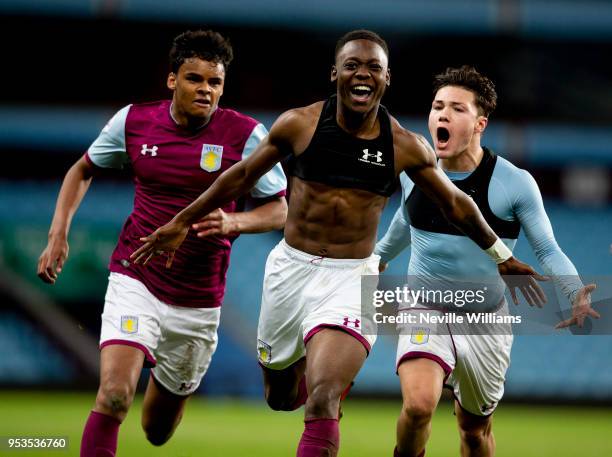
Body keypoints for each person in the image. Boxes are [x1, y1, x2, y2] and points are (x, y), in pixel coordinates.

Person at [131, 31, 544, 457]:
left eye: (373, 68)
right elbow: (239, 176)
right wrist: (181, 221)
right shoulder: (300, 124)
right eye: (352, 66)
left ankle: (333, 382)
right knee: (278, 395)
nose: (362, 74)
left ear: (387, 78)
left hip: (351, 277)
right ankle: (316, 374)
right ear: (335, 74)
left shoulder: (404, 146)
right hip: (291, 269)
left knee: (323, 398)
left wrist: (502, 255)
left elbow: (456, 203)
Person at [37, 30, 288, 457]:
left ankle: (163, 384)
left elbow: (279, 210)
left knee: (157, 431)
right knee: (115, 396)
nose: (205, 91)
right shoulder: (133, 122)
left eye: (215, 83)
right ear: (172, 80)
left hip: (199, 300)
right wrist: (58, 233)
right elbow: (81, 170)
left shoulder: (246, 136)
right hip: (136, 277)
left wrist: (234, 221)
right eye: (195, 79)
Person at [375, 65, 600, 457]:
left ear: (480, 123)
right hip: (423, 307)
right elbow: (399, 229)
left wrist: (574, 290)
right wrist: (372, 262)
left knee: (474, 431)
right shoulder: (416, 172)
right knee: (417, 406)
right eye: (437, 106)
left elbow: (547, 249)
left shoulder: (514, 183)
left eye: (456, 109)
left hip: (485, 319)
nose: (442, 115)